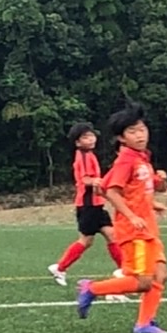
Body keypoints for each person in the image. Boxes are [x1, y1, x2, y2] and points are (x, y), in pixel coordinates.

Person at [76, 102, 167, 333]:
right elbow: (111, 191)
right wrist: (131, 214)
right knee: (143, 281)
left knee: (160, 275)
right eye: (132, 131)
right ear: (121, 137)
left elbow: (106, 186)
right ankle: (92, 288)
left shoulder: (141, 157)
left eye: (142, 129)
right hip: (134, 229)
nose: (140, 135)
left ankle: (144, 324)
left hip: (148, 227)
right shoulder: (126, 159)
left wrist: (153, 199)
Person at [49, 123, 126, 286]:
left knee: (112, 236)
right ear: (77, 142)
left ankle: (124, 271)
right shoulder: (83, 156)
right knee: (86, 241)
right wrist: (96, 181)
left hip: (97, 205)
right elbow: (85, 179)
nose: (91, 139)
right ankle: (60, 268)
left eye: (91, 135)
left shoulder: (89, 154)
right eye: (85, 137)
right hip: (88, 206)